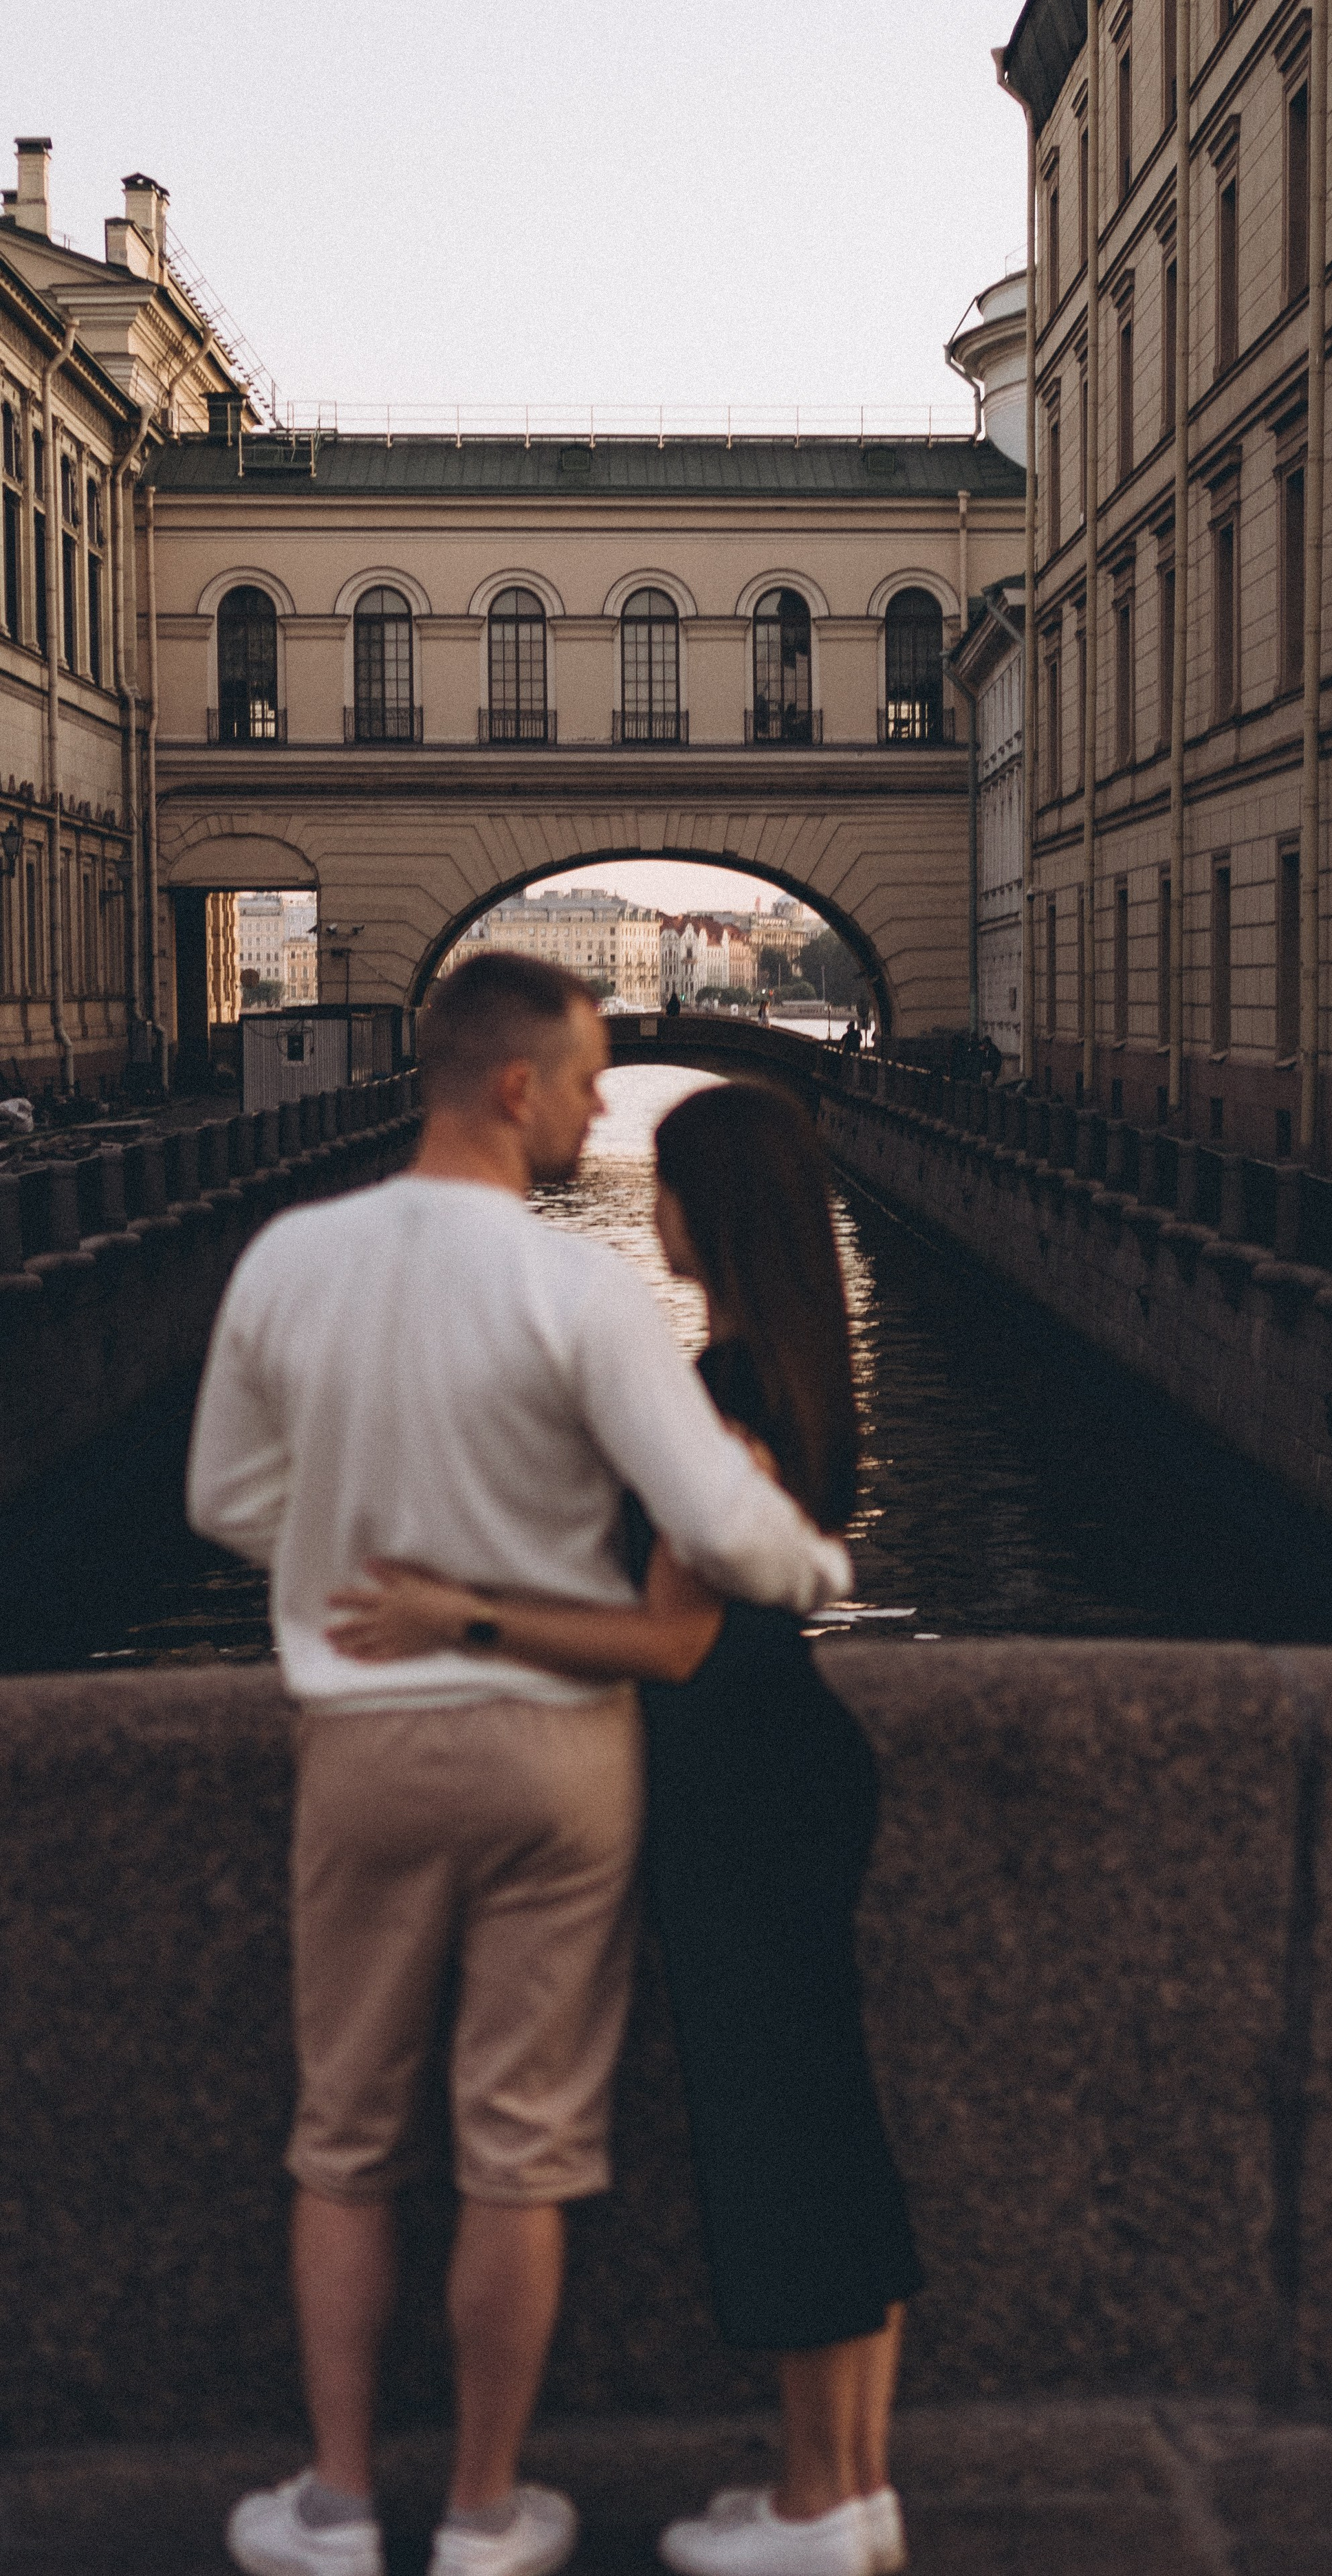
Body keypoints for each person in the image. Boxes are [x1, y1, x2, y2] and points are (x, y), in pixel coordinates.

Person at [187, 957, 851, 2576]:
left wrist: (340, 1557)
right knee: (521, 2147)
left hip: (364, 1739)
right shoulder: (581, 1296)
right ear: (511, 1086)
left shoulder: (293, 1256)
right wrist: (813, 1569)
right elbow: (716, 1525)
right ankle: (486, 2512)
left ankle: (338, 2505)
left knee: (344, 2139)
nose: (590, 1108)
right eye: (583, 1081)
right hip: (559, 1758)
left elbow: (223, 1498)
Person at [327, 1080, 921, 2576]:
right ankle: (848, 2489)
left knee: (777, 2134)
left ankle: (815, 2507)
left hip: (739, 1794)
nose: (639, 1203)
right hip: (793, 1772)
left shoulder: (724, 1392)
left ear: (708, 1208)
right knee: (825, 2120)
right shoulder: (797, 1369)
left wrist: (450, 1611)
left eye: (656, 1180)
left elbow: (669, 1643)